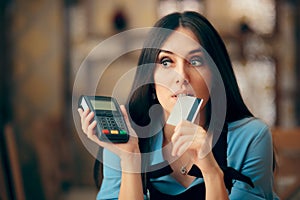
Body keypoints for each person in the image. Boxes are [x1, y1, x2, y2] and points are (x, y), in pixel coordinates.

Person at [78, 11, 279, 200]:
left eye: (196, 60)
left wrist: (211, 171)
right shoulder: (127, 137)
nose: (182, 76)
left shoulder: (251, 136)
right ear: (150, 77)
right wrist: (130, 160)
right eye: (166, 62)